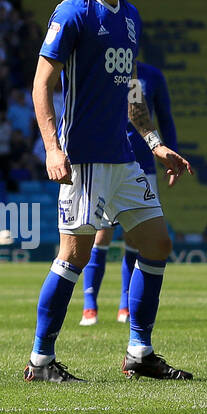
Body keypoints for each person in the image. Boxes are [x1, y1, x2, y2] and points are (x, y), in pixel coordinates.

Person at [25, 0, 194, 382]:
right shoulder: (73, 12)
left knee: (157, 243)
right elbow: (42, 83)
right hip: (83, 160)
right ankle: (40, 361)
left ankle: (139, 353)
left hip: (123, 156)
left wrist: (155, 144)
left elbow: (130, 92)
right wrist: (52, 149)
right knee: (73, 257)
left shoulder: (131, 17)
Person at [79, 59, 177, 325]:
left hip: (143, 164)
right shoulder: (101, 69)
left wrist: (170, 151)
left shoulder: (151, 76)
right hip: (106, 161)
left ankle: (125, 304)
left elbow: (165, 118)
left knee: (137, 239)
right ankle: (90, 305)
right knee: (101, 235)